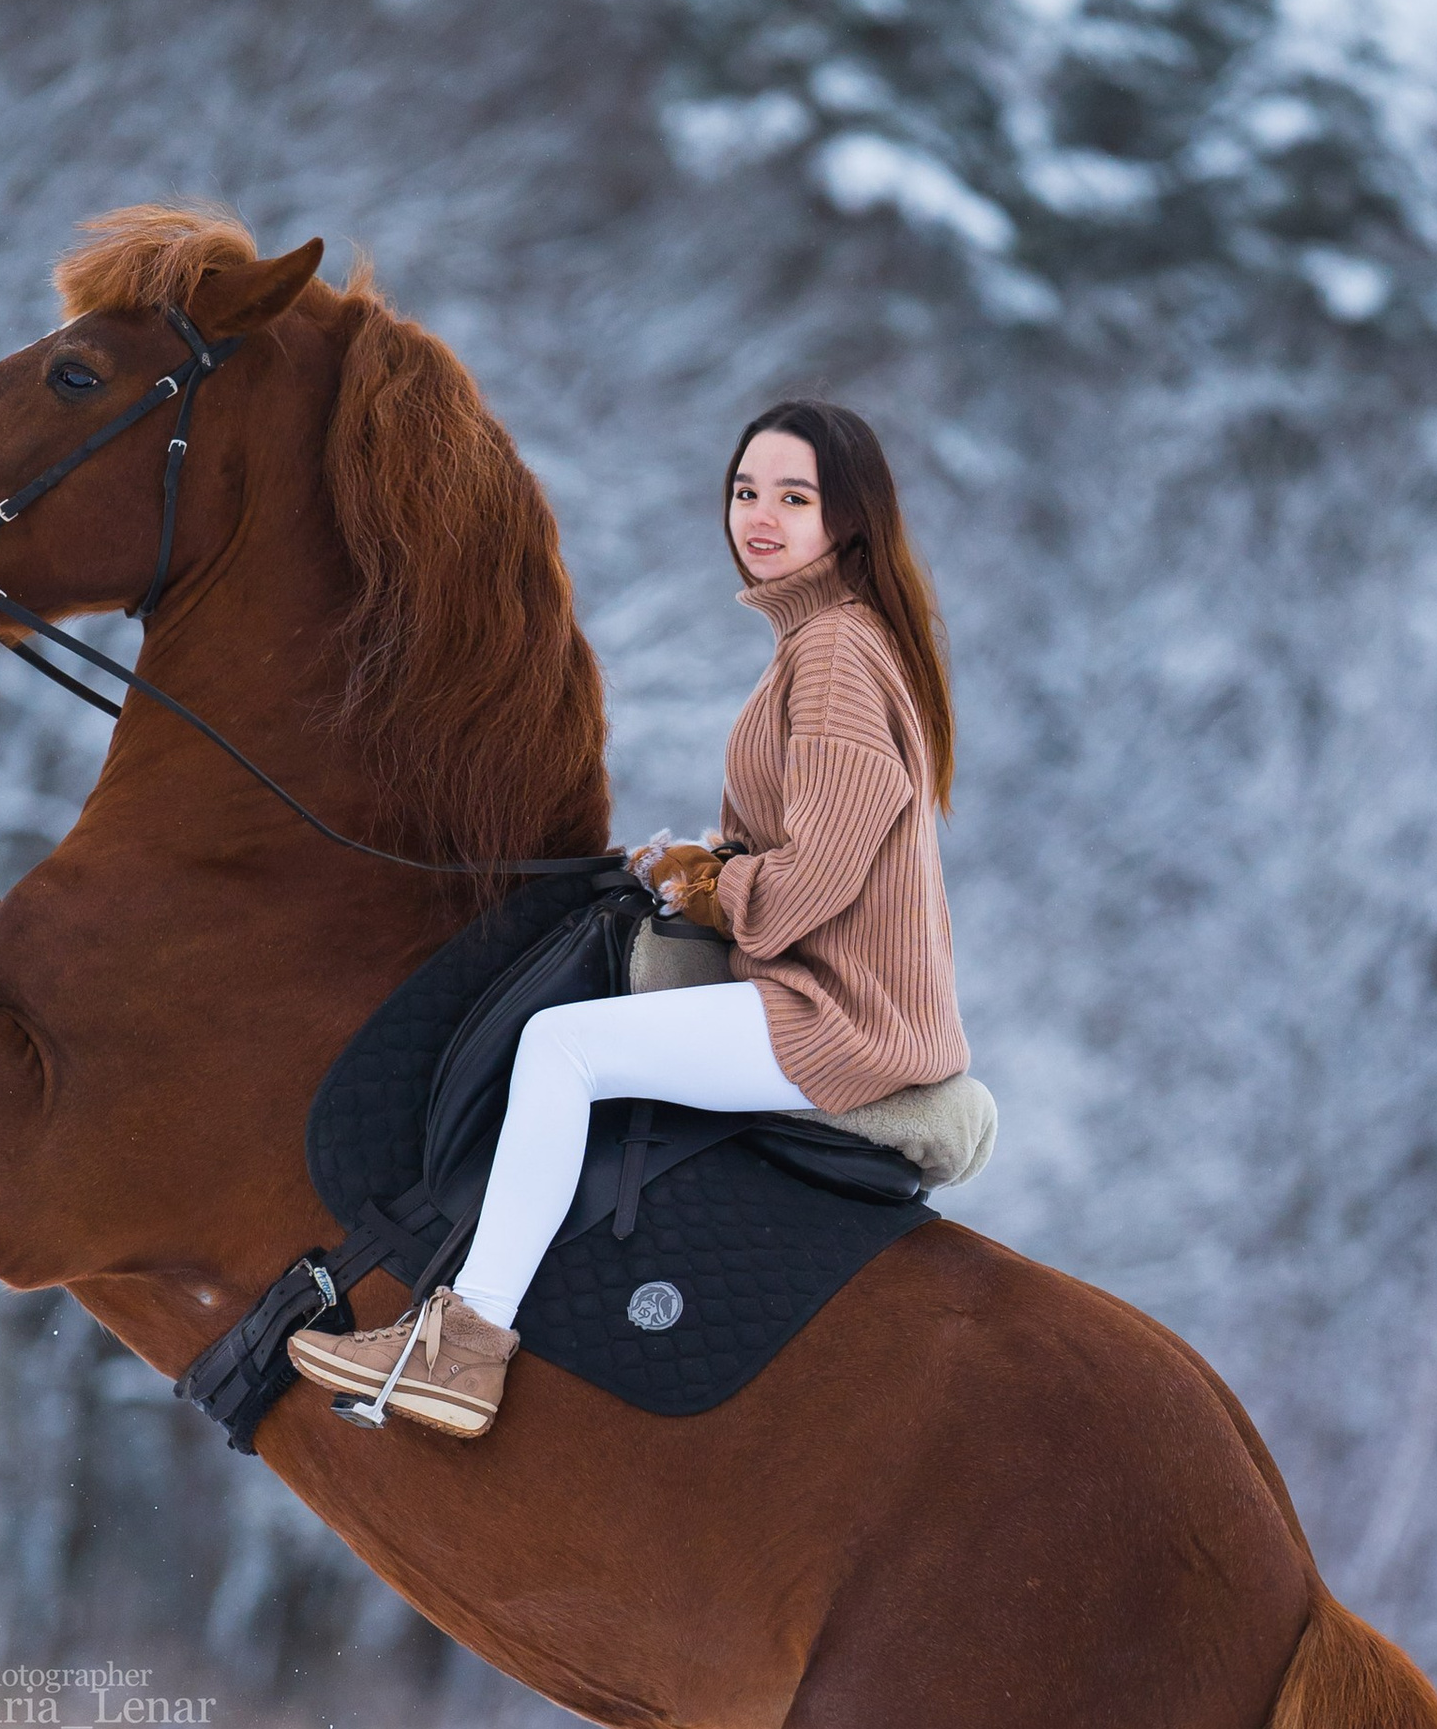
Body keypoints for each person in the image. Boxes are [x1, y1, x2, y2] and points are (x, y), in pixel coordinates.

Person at [287, 399, 970, 1441]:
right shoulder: (832, 643)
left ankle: (465, 1348)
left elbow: (817, 878)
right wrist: (704, 862)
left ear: (851, 518)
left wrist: (717, 890)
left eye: (795, 497)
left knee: (561, 1049)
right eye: (747, 492)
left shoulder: (834, 651)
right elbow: (820, 835)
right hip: (822, 997)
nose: (761, 517)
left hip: (838, 1019)